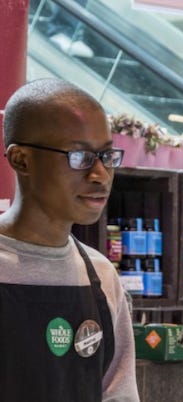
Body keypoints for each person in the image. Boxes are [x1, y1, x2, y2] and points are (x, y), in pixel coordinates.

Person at [0, 78, 139, 401]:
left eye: (106, 155)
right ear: (21, 159)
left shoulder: (100, 275)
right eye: (80, 156)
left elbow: (118, 394)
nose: (100, 174)